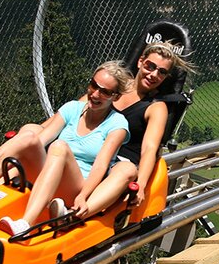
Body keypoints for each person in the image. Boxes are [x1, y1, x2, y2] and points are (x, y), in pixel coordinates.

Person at [0, 61, 132, 235]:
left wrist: (83, 196)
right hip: (49, 174)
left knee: (59, 147)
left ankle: (25, 223)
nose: (95, 94)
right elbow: (39, 140)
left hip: (76, 185)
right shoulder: (73, 108)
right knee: (29, 137)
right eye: (93, 85)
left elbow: (101, 166)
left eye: (104, 92)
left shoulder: (117, 125)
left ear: (115, 97)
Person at [54, 41, 194, 219]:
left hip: (119, 163)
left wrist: (141, 184)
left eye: (162, 72)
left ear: (166, 77)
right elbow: (80, 108)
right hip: (92, 153)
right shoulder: (115, 87)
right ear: (140, 62)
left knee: (125, 170)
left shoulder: (156, 107)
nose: (153, 74)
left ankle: (76, 214)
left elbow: (150, 148)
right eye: (150, 66)